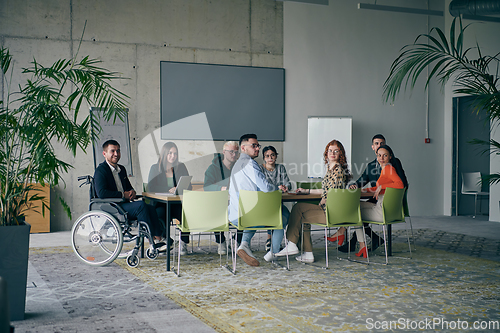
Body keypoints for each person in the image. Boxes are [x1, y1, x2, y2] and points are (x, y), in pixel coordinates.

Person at [276, 140, 367, 262]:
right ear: (326, 153)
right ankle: (305, 252)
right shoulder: (331, 169)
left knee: (299, 209)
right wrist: (306, 191)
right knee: (300, 211)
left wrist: (325, 198)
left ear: (341, 154)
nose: (332, 153)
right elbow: (326, 189)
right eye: (330, 151)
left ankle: (295, 245)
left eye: (336, 151)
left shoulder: (338, 170)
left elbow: (333, 191)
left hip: (332, 212)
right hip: (331, 210)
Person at [228, 134, 288, 267]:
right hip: (249, 215)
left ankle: (244, 245)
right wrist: (277, 188)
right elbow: (266, 187)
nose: (257, 148)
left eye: (257, 145)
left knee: (273, 213)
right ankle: (274, 253)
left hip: (236, 214)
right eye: (253, 145)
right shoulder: (249, 163)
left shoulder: (237, 165)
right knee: (283, 215)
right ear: (243, 148)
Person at [94, 140, 165, 250]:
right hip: (112, 206)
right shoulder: (101, 170)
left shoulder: (121, 169)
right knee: (141, 206)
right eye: (112, 151)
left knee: (150, 207)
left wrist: (132, 192)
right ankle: (153, 241)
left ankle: (159, 238)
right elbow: (101, 193)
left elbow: (128, 187)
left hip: (123, 204)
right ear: (105, 154)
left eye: (118, 151)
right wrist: (123, 195)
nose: (116, 154)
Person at [343, 134, 408, 252]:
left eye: (382, 144)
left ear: (389, 154)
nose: (379, 146)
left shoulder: (391, 165)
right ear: (373, 147)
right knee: (355, 208)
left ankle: (347, 236)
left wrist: (383, 187)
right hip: (376, 199)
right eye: (377, 144)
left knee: (354, 210)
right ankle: (367, 241)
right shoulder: (372, 166)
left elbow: (402, 184)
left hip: (389, 203)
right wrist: (358, 187)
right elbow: (363, 181)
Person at [148, 142, 191, 255]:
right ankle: (164, 243)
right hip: (161, 203)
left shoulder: (180, 167)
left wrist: (178, 188)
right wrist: (169, 189)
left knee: (186, 214)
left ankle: (183, 242)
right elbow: (151, 187)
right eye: (170, 153)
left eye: (175, 154)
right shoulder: (155, 168)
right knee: (161, 215)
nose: (173, 156)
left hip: (177, 203)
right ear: (164, 154)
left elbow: (188, 186)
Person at [203, 141, 240, 255]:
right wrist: (220, 188)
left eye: (236, 152)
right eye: (231, 152)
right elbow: (207, 187)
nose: (234, 155)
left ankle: (237, 240)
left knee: (246, 210)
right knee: (215, 212)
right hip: (218, 203)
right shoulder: (212, 168)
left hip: (235, 202)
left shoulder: (238, 168)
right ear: (224, 152)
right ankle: (221, 242)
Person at [260, 145, 292, 252]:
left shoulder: (280, 168)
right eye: (267, 156)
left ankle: (273, 241)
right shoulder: (260, 168)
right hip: (264, 203)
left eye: (272, 155)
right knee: (276, 214)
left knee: (286, 215)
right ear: (264, 158)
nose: (270, 158)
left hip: (278, 202)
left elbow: (288, 183)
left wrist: (285, 187)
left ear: (276, 156)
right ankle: (271, 240)